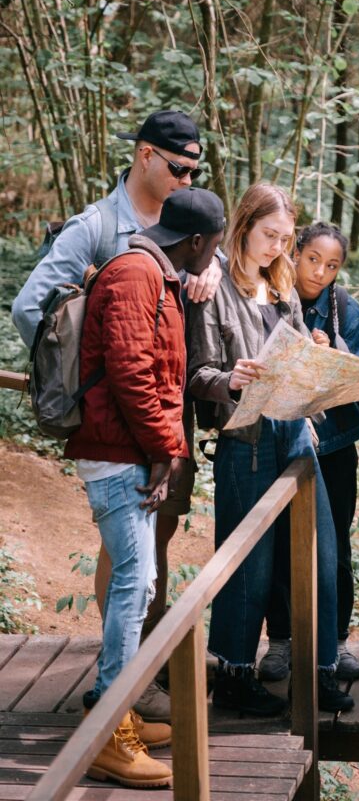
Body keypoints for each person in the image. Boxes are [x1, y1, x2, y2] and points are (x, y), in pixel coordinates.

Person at [12, 109, 222, 720]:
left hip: (162, 417)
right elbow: (34, 310)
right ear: (145, 155)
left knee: (152, 548)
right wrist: (79, 377)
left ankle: (133, 677)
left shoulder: (185, 230)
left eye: (195, 170)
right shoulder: (99, 228)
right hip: (122, 424)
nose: (186, 179)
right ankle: (120, 698)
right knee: (128, 561)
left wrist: (202, 276)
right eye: (179, 167)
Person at [67, 187, 225, 788]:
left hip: (128, 448)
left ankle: (120, 704)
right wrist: (166, 448)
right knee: (135, 580)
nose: (212, 257)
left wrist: (164, 450)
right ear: (194, 241)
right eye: (212, 247)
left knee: (142, 579)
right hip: (115, 452)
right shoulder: (137, 276)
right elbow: (132, 370)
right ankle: (109, 730)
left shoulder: (155, 272)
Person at [187, 184, 354, 716]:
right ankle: (234, 674)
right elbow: (196, 374)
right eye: (269, 236)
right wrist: (229, 379)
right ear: (243, 227)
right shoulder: (213, 290)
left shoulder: (282, 287)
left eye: (285, 238)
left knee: (322, 556)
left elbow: (298, 351)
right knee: (249, 567)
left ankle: (321, 672)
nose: (277, 248)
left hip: (297, 433)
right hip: (246, 438)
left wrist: (320, 357)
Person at [259, 222, 359, 683]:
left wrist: (332, 350)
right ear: (295, 251)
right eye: (312, 260)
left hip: (334, 446)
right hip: (279, 439)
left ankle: (337, 641)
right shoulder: (266, 296)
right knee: (278, 542)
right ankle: (281, 642)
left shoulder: (347, 310)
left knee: (336, 545)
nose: (320, 273)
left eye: (332, 266)